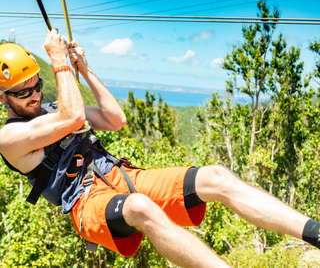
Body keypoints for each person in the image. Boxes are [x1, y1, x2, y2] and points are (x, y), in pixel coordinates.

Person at [0, 29, 319, 268]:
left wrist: (84, 69)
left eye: (38, 85)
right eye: (23, 91)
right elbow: (73, 117)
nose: (35, 95)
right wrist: (59, 62)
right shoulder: (9, 138)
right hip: (85, 202)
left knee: (217, 178)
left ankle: (313, 231)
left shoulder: (54, 108)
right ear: (3, 98)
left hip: (119, 175)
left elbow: (115, 118)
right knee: (140, 207)